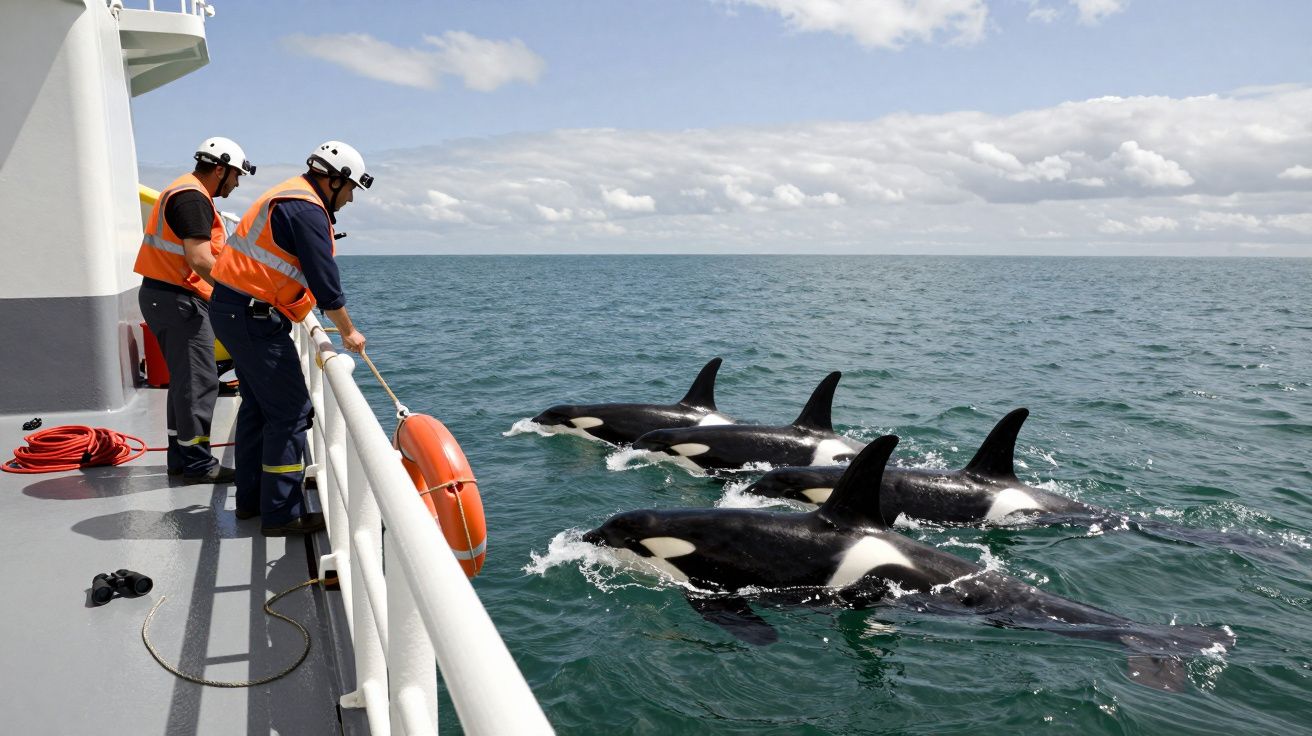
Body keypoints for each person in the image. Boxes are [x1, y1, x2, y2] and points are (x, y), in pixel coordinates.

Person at [209, 141, 372, 536]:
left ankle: (251, 502)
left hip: (234, 309)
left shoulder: (288, 196)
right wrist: (349, 331)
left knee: (258, 409)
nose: (350, 200)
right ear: (334, 180)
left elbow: (275, 270)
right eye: (350, 190)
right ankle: (281, 514)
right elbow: (325, 281)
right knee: (292, 412)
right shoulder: (307, 210)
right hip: (251, 317)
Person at [134, 137, 255, 484]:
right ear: (220, 169)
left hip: (166, 296)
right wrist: (236, 295)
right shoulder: (192, 197)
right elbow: (201, 258)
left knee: (185, 382)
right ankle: (198, 463)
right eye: (235, 176)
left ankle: (180, 458)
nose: (236, 183)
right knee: (200, 383)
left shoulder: (184, 191)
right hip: (177, 300)